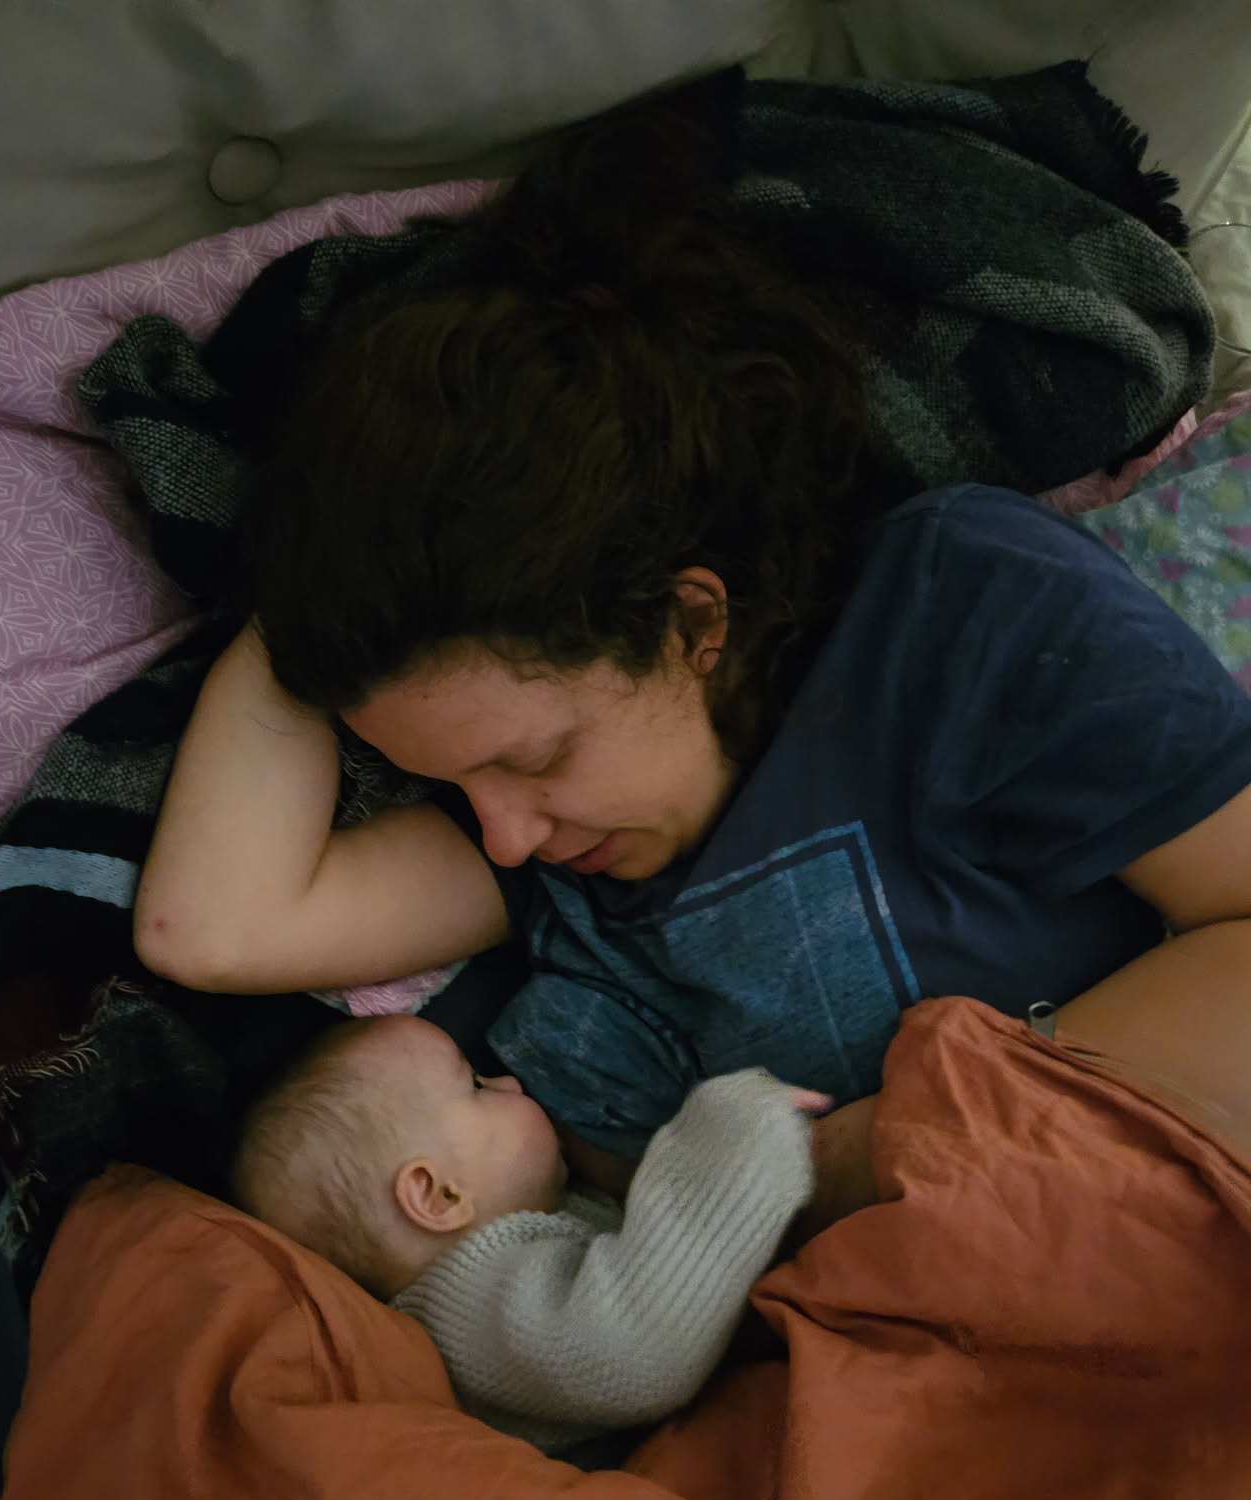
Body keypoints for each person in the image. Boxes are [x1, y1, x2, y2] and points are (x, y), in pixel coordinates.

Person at [135, 106, 1251, 1220]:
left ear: (688, 622)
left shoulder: (961, 615)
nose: (506, 835)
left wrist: (847, 1158)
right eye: (459, 784)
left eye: (535, 757)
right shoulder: (557, 859)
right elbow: (213, 930)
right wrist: (309, 590)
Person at [231, 1011, 822, 1453]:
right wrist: (734, 1131)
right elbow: (632, 1356)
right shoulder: (469, 1311)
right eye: (476, 1086)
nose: (509, 1083)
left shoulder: (500, 1267)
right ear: (439, 1196)